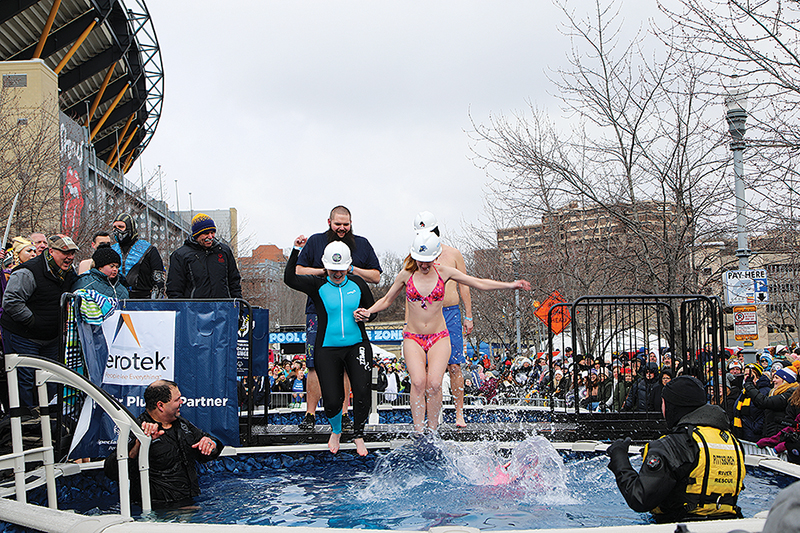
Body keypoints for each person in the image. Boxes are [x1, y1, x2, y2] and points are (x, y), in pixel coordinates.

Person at [354, 231, 530, 433]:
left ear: (436, 257)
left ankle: (433, 429)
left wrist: (511, 285)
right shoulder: (405, 275)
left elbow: (477, 282)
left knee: (435, 383)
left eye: (429, 260)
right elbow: (386, 300)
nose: (425, 265)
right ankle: (419, 431)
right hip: (413, 337)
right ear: (414, 257)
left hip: (439, 336)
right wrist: (369, 311)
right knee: (418, 382)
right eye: (421, 260)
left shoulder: (444, 272)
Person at [607, 375, 745, 522]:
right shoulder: (732, 441)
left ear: (671, 406)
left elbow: (640, 498)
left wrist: (619, 458)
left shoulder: (671, 445)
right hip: (728, 522)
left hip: (678, 524)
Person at [285, 236, 375, 455]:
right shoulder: (317, 285)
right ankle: (336, 430)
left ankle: (358, 434)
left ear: (348, 267)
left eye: (342, 270)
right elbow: (290, 279)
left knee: (363, 392)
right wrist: (296, 250)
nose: (337, 274)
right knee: (333, 399)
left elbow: (373, 311)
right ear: (325, 266)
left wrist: (366, 316)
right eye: (333, 269)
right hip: (327, 347)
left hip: (357, 344)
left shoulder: (358, 284)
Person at [295, 206, 381, 431]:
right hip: (318, 311)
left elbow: (376, 276)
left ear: (351, 223)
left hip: (350, 313)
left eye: (346, 224)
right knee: (313, 363)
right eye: (337, 224)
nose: (342, 228)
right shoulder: (315, 242)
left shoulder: (361, 243)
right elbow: (298, 271)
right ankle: (310, 413)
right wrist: (324, 271)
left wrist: (351, 269)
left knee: (344, 365)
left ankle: (344, 414)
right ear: (329, 222)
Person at [103, 380, 223, 508]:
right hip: (158, 509)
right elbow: (112, 470)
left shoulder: (182, 425)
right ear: (161, 405)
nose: (182, 402)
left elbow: (211, 449)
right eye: (177, 399)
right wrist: (139, 445)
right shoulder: (138, 429)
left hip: (188, 501)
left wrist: (212, 444)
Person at [1, 235, 79, 407]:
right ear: (51, 252)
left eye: (72, 253)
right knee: (25, 380)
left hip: (50, 338)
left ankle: (48, 419)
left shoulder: (68, 273)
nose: (70, 257)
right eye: (65, 252)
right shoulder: (28, 272)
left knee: (51, 379)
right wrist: (32, 321)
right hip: (23, 335)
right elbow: (11, 302)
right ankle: (25, 423)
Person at [412, 211, 473, 427]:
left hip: (450, 312)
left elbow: (464, 284)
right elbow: (406, 290)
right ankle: (431, 417)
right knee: (426, 372)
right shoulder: (415, 257)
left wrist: (469, 315)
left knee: (455, 365)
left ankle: (459, 412)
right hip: (426, 314)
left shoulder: (453, 254)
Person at [166, 213, 242, 299]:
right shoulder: (180, 255)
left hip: (222, 309)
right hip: (194, 310)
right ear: (196, 234)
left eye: (212, 232)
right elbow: (174, 289)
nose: (210, 237)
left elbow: (234, 282)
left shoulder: (224, 251)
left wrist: (238, 306)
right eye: (206, 233)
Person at [111, 213, 165, 299]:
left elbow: (158, 281)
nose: (117, 230)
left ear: (129, 227)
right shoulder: (111, 250)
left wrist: (155, 304)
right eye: (114, 227)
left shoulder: (149, 249)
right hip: (117, 300)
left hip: (143, 301)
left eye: (121, 227)